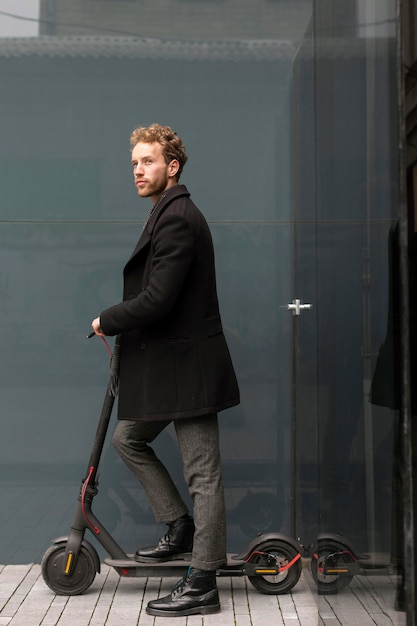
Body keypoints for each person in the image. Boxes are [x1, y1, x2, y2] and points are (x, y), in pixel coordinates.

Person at [91, 123, 240, 617]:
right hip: (172, 369)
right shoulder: (164, 212)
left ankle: (203, 581)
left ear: (171, 166)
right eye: (134, 162)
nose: (138, 169)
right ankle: (181, 526)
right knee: (127, 439)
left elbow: (158, 298)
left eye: (147, 161)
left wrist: (105, 320)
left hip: (188, 369)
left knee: (203, 473)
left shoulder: (177, 216)